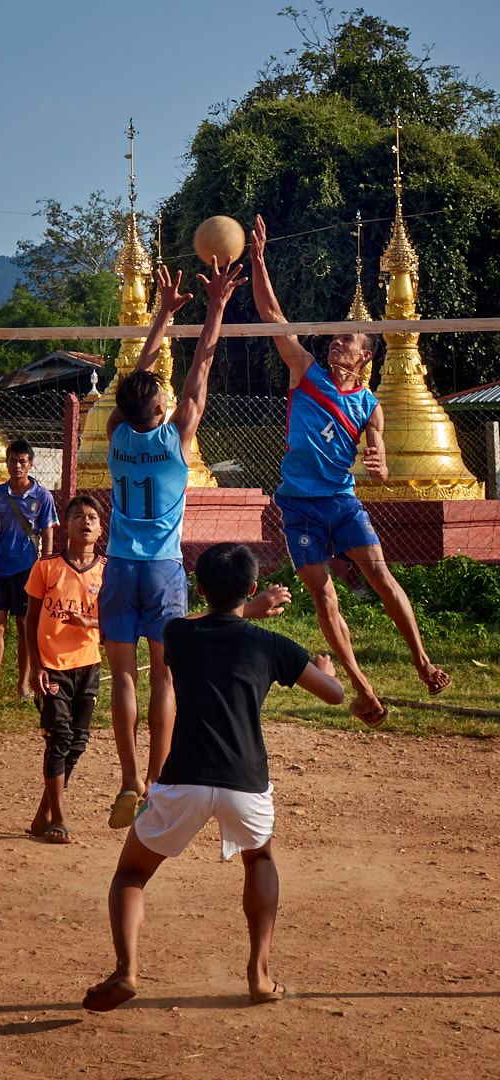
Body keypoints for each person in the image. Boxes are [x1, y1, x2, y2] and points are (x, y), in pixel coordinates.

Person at [83, 542, 344, 1012]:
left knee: (130, 874)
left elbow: (209, 629)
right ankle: (260, 974)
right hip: (245, 781)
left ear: (198, 589)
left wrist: (247, 610)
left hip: (183, 778)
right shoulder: (273, 646)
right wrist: (325, 667)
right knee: (260, 861)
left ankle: (126, 970)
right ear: (251, 587)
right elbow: (333, 695)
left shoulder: (178, 634)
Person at [250, 213, 451, 728]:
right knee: (323, 593)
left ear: (364, 358)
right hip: (298, 505)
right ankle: (362, 689)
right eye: (335, 338)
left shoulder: (370, 406)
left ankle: (423, 660)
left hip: (342, 501)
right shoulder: (305, 373)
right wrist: (257, 259)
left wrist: (378, 464)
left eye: (347, 341)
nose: (336, 343)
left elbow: (379, 474)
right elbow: (272, 314)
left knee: (381, 575)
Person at [100, 259, 247, 829]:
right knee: (164, 676)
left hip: (117, 569)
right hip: (161, 568)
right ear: (160, 410)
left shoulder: (114, 435)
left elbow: (134, 381)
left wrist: (161, 313)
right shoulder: (175, 435)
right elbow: (200, 368)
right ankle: (158, 779)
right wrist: (214, 306)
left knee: (123, 678)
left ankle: (129, 778)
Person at [24, 495, 106, 844]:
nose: (85, 522)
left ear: (101, 528)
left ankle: (44, 813)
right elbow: (29, 621)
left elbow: (115, 623)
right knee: (59, 738)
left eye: (92, 518)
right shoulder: (46, 567)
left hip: (88, 666)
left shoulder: (108, 570)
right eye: (77, 517)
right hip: (52, 668)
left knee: (78, 742)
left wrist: (88, 620)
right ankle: (58, 816)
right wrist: (35, 665)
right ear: (65, 525)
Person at [0, 439, 58, 698]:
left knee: (25, 626)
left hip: (29, 570)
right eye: (12, 460)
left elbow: (48, 536)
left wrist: (45, 571)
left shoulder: (43, 496)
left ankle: (23, 685)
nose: (17, 466)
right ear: (6, 463)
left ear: (31, 464)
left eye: (22, 461)